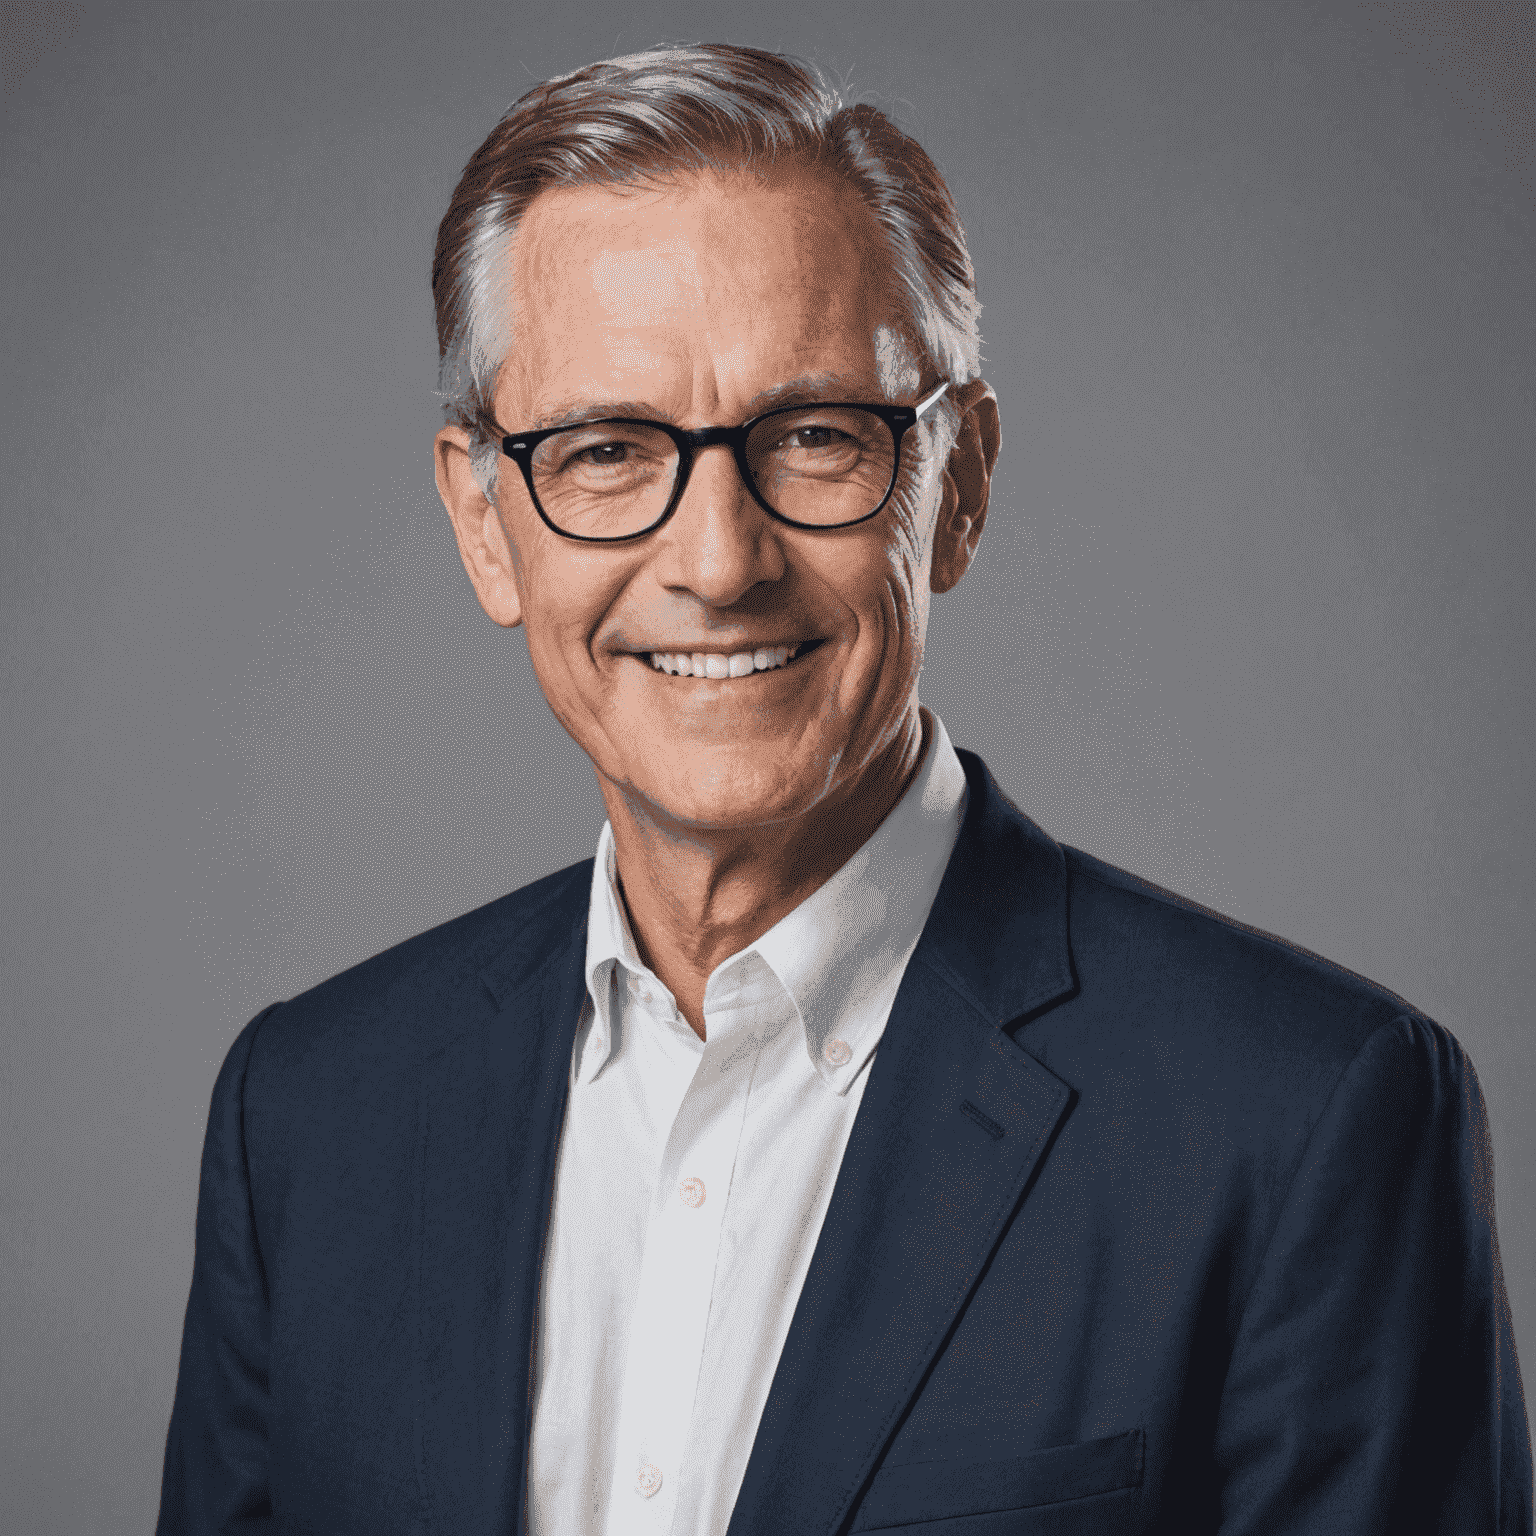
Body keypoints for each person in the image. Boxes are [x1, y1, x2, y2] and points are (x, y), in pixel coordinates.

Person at [156, 42, 1531, 1536]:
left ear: (961, 485)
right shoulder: (309, 1116)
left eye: (813, 437)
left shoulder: (1308, 1121)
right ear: (488, 525)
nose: (719, 561)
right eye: (608, 451)